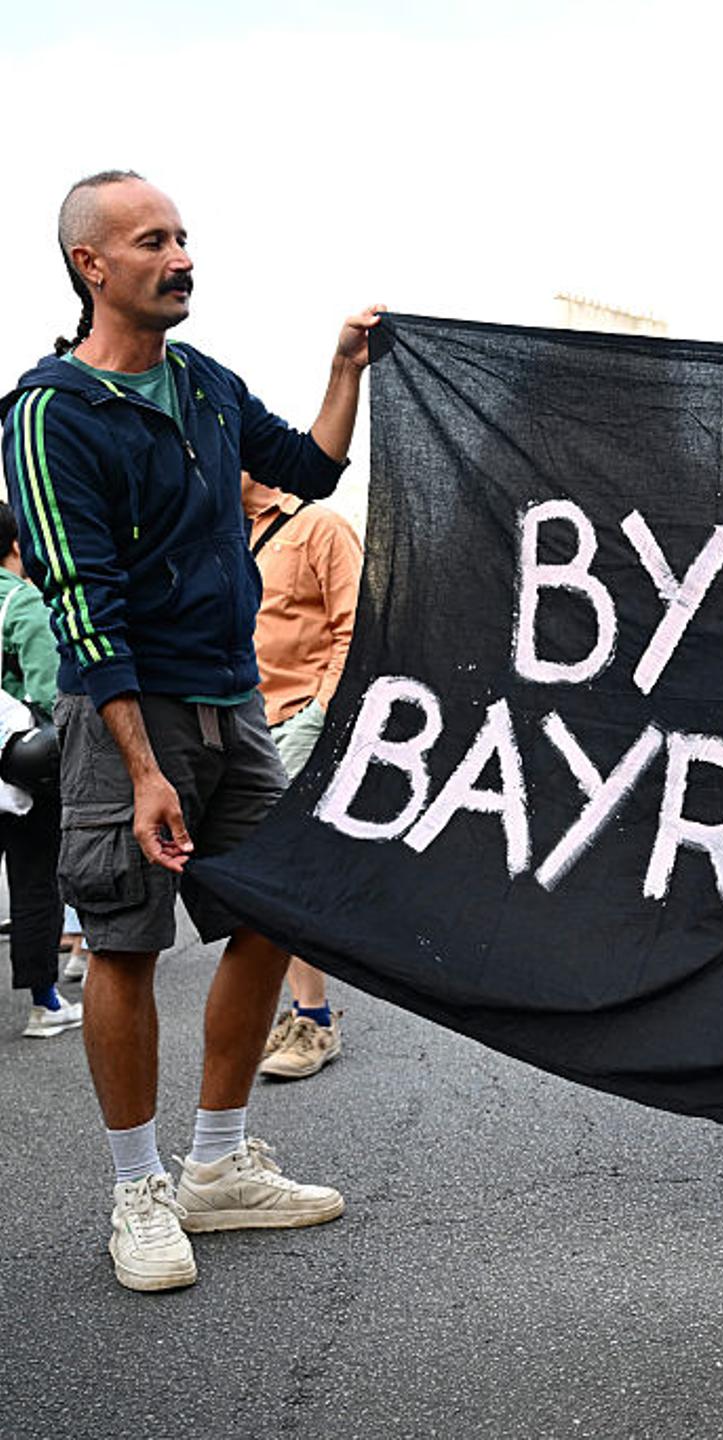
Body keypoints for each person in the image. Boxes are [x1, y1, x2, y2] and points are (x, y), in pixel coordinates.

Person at [1, 168, 382, 1293]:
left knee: (273, 908)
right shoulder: (50, 413)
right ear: (91, 265)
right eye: (153, 241)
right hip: (127, 708)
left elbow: (308, 469)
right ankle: (139, 1189)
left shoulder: (205, 383)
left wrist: (345, 370)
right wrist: (140, 765)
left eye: (182, 236)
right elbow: (81, 600)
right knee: (125, 941)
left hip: (233, 701)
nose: (181, 257)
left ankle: (217, 1165)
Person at [242, 472, 362, 1080]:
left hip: (294, 721)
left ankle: (313, 1019)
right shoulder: (219, 534)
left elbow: (357, 628)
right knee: (255, 881)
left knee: (278, 874)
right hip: (238, 727)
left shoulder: (320, 527)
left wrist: (318, 714)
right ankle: (299, 1011)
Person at [0, 500, 79, 1038]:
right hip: (17, 771)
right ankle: (45, 1004)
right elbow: (51, 693)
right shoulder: (22, 601)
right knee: (34, 880)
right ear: (16, 543)